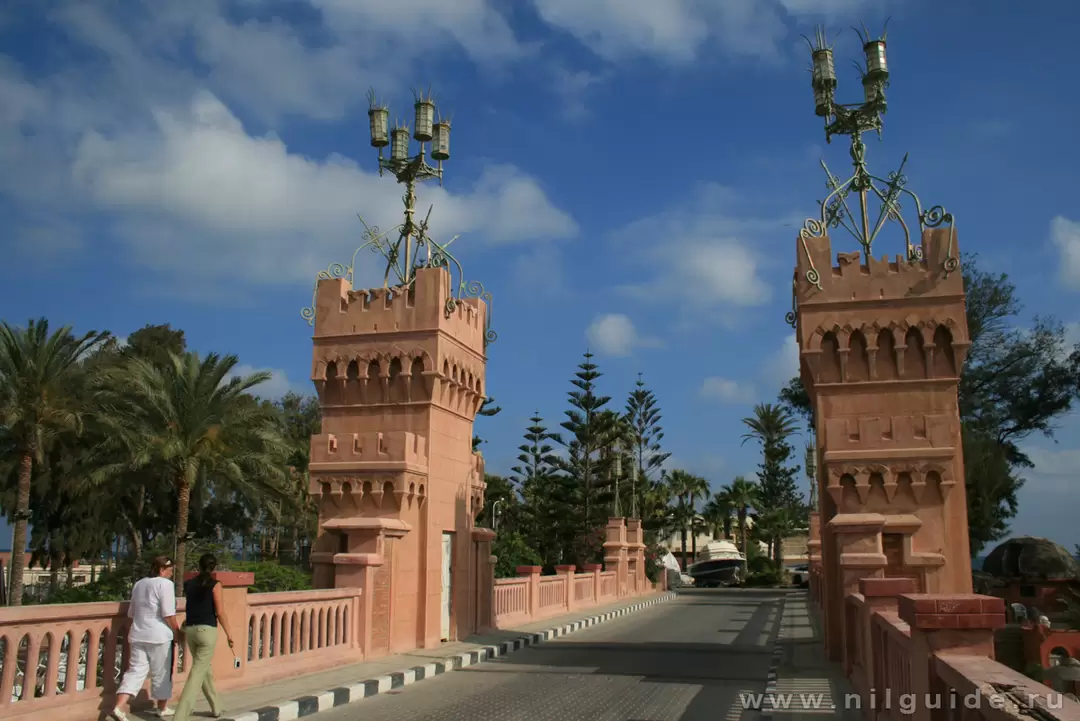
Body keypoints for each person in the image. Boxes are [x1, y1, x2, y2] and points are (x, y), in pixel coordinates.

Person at [112, 556, 180, 721]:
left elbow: (131, 613)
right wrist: (177, 632)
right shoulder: (165, 584)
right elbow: (168, 613)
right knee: (161, 672)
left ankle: (119, 707)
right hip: (159, 635)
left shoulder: (139, 584)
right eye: (170, 571)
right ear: (162, 570)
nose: (171, 574)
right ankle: (162, 708)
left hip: (138, 633)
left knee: (135, 670)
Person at [174, 554, 235, 721]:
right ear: (214, 567)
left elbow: (191, 606)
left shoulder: (189, 585)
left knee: (204, 670)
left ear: (199, 566)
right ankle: (180, 716)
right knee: (197, 673)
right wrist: (229, 633)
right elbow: (220, 612)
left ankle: (216, 707)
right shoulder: (215, 585)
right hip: (207, 631)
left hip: (191, 631)